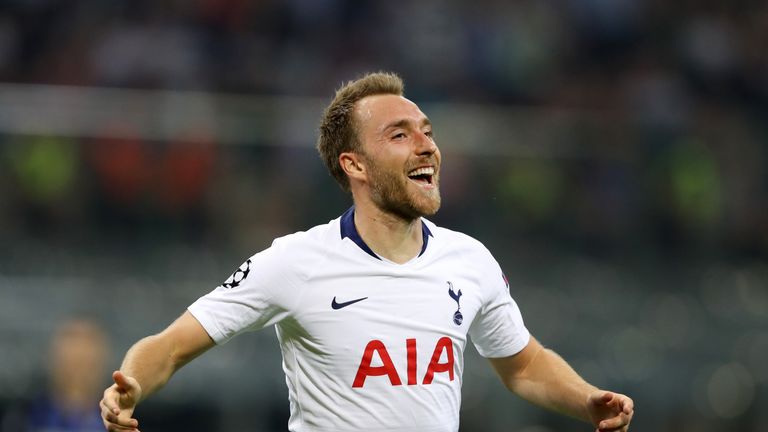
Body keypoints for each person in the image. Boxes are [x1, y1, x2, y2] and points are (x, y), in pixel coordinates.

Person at [100, 72, 634, 432]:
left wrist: (585, 398)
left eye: (427, 132)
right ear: (354, 165)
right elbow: (169, 347)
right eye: (399, 135)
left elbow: (524, 365)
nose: (427, 145)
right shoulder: (295, 262)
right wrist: (130, 387)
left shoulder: (470, 261)